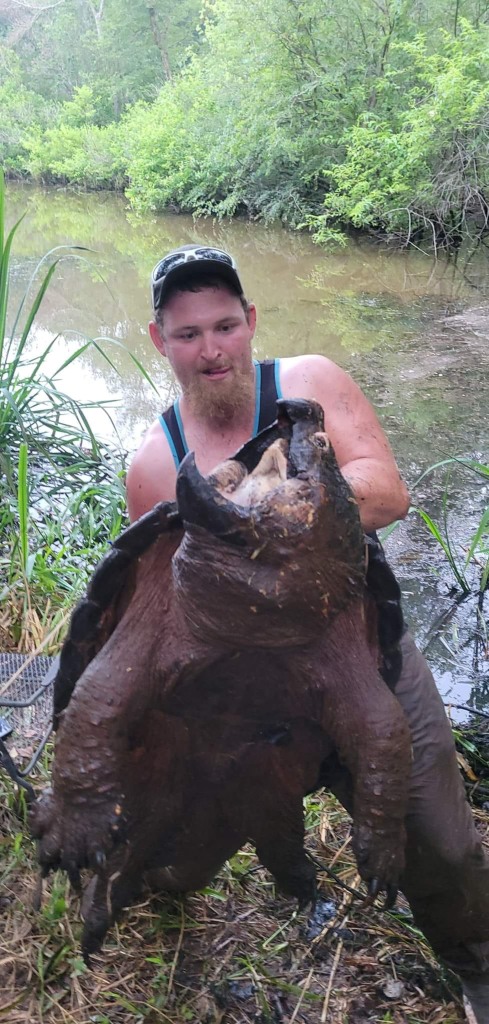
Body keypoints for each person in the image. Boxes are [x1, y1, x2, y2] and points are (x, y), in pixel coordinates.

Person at [126, 244, 489, 1023]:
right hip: (250, 696)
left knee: (439, 841)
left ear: (251, 321)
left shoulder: (307, 386)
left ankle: (478, 969)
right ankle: (162, 889)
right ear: (159, 341)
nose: (211, 348)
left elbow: (386, 491)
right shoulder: (156, 463)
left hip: (363, 658)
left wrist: (284, 500)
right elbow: (156, 606)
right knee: (181, 846)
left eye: (225, 325)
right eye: (188, 334)